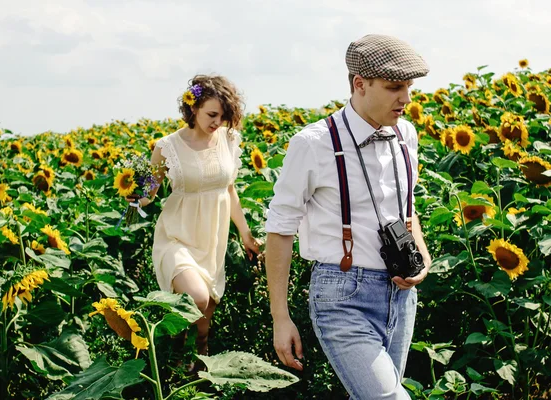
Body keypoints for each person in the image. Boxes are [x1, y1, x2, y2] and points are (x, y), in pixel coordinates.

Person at [265, 34, 433, 399]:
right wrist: (281, 317)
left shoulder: (406, 134)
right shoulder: (313, 143)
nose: (406, 99)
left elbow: (408, 207)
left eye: (409, 87)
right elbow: (279, 230)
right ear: (359, 84)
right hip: (343, 296)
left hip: (401, 297)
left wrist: (422, 253)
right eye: (394, 87)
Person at [130, 74, 261, 357]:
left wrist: (245, 233)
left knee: (204, 320)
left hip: (212, 240)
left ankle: (191, 367)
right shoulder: (166, 147)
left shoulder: (228, 139)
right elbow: (148, 193)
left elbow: (230, 190)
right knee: (198, 298)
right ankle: (175, 355)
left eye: (223, 116)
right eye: (212, 114)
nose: (217, 122)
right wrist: (133, 193)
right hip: (176, 235)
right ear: (193, 107)